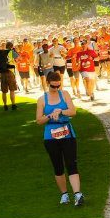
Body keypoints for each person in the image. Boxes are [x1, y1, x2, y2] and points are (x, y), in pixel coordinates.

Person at [35, 72, 84, 206]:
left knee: (71, 164)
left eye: (58, 86)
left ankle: (77, 194)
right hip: (50, 137)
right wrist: (50, 115)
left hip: (67, 133)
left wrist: (61, 111)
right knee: (58, 166)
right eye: (53, 86)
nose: (56, 89)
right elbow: (38, 120)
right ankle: (64, 194)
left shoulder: (65, 94)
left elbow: (73, 111)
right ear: (47, 83)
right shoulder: (42, 100)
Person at [0, 41, 18, 111]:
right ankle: (13, 104)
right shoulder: (11, 52)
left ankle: (5, 105)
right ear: (11, 46)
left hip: (2, 73)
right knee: (12, 90)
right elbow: (18, 58)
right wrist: (14, 51)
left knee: (4, 91)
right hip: (10, 72)